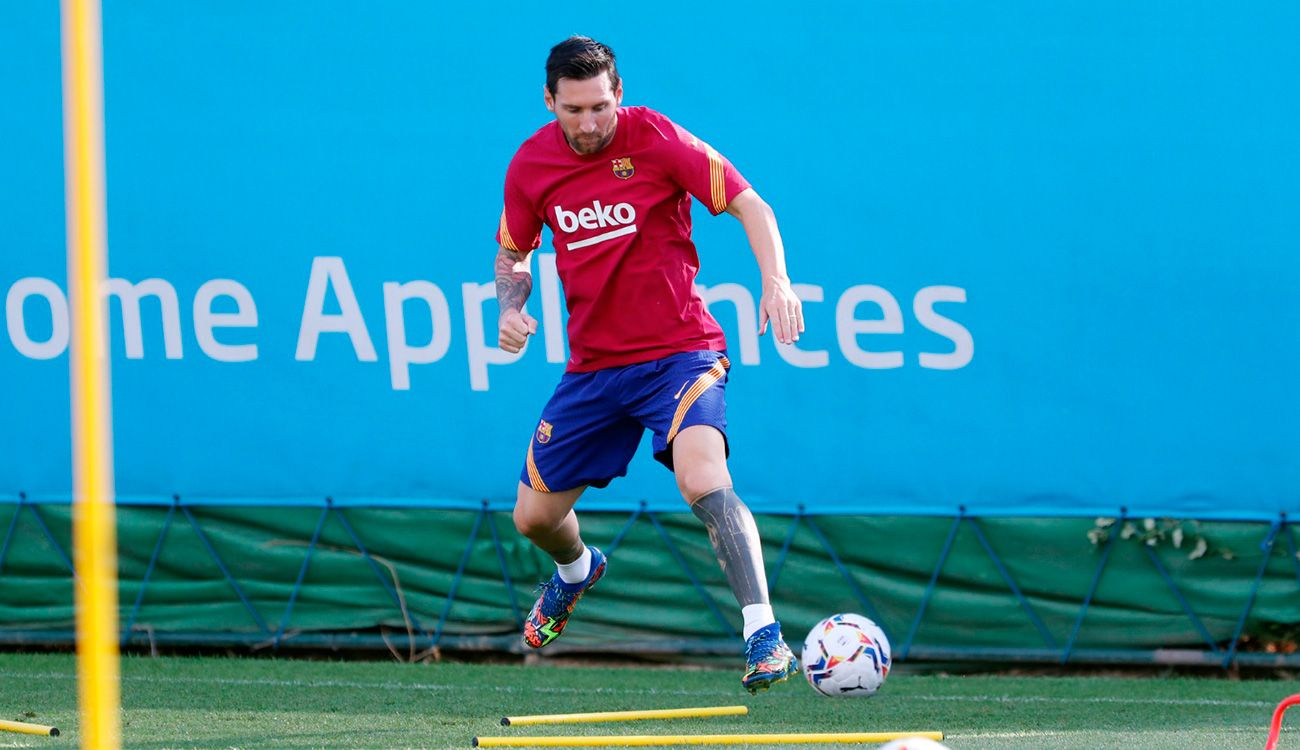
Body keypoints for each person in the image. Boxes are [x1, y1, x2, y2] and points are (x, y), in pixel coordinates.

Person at [494, 36, 803, 693]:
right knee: (533, 520)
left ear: (619, 94)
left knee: (701, 478)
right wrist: (509, 304)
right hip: (594, 370)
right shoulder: (529, 165)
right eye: (573, 110)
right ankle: (577, 571)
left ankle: (763, 635)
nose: (588, 123)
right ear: (549, 101)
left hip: (680, 353)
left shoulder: (656, 138)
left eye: (600, 107)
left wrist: (776, 281)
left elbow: (752, 204)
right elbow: (514, 253)